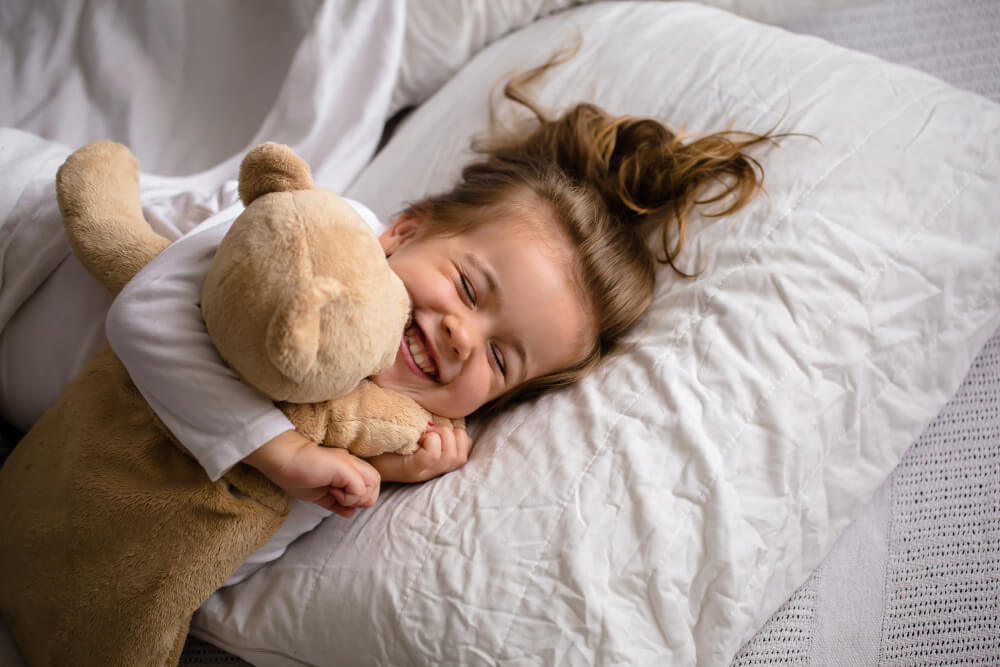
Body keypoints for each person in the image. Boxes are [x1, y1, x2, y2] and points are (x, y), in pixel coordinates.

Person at [2, 70, 779, 584]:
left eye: (502, 359)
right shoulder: (314, 240)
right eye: (469, 286)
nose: (462, 337)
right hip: (24, 234)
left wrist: (357, 478)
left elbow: (217, 547)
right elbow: (142, 313)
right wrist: (286, 453)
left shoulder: (360, 427)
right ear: (403, 232)